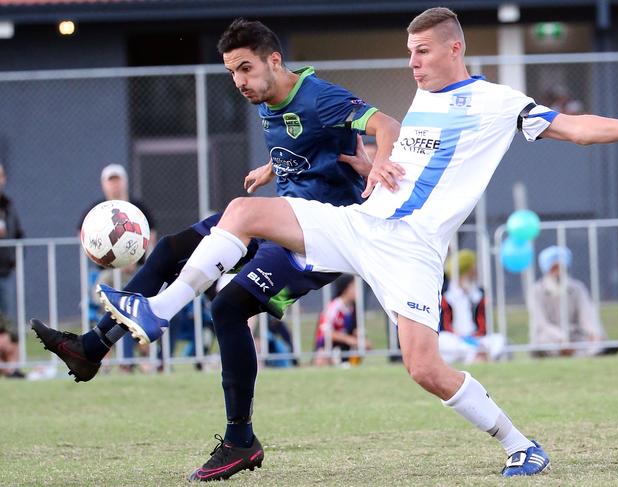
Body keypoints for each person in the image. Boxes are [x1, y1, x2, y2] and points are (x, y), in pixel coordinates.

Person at [99, 7, 618, 478]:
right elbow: (408, 157)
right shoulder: (422, 98)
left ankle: (520, 445)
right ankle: (159, 313)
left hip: (411, 250)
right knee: (241, 213)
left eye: (423, 52)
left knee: (425, 370)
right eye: (410, 52)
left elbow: (578, 129)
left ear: (455, 48)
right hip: (361, 224)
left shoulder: (496, 102)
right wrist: (370, 162)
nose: (413, 62)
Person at [31, 18, 402, 482]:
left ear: (274, 60)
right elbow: (305, 141)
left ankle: (239, 439)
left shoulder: (320, 95)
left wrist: (380, 159)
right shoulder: (270, 98)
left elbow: (386, 123)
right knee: (169, 249)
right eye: (231, 73)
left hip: (321, 239)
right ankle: (92, 347)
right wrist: (273, 167)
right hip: (281, 217)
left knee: (227, 306)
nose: (239, 83)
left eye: (245, 69)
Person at [83, 163, 158, 373]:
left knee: (136, 304)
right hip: (108, 270)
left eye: (118, 180)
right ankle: (116, 358)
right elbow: (85, 238)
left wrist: (131, 258)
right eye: (110, 181)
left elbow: (150, 237)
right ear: (104, 184)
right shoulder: (97, 211)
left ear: (125, 182)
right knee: (111, 301)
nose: (115, 185)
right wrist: (110, 259)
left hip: (137, 270)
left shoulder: (138, 207)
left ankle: (146, 357)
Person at [529, 246, 613, 357]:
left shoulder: (577, 288)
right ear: (547, 269)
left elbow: (586, 315)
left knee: (591, 339)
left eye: (561, 267)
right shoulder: (536, 291)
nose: (558, 272)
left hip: (574, 334)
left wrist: (593, 332)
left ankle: (596, 351)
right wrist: (561, 338)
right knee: (545, 342)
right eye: (554, 268)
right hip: (549, 336)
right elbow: (542, 323)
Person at [439, 249, 506, 364]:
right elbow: (445, 325)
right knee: (442, 340)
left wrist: (475, 340)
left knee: (499, 339)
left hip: (476, 339)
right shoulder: (445, 294)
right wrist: (461, 338)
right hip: (455, 339)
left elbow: (482, 325)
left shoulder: (479, 294)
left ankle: (475, 355)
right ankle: (476, 355)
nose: (474, 274)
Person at [313, 274, 371, 366]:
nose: (357, 290)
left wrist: (361, 338)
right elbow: (325, 332)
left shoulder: (353, 308)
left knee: (363, 344)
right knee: (323, 360)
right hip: (327, 346)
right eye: (354, 287)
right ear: (345, 289)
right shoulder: (333, 307)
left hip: (344, 347)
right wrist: (349, 339)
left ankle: (350, 364)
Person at [0, 163, 24, 321]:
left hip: (4, 270)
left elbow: (19, 234)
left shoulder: (8, 205)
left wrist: (15, 260)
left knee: (5, 318)